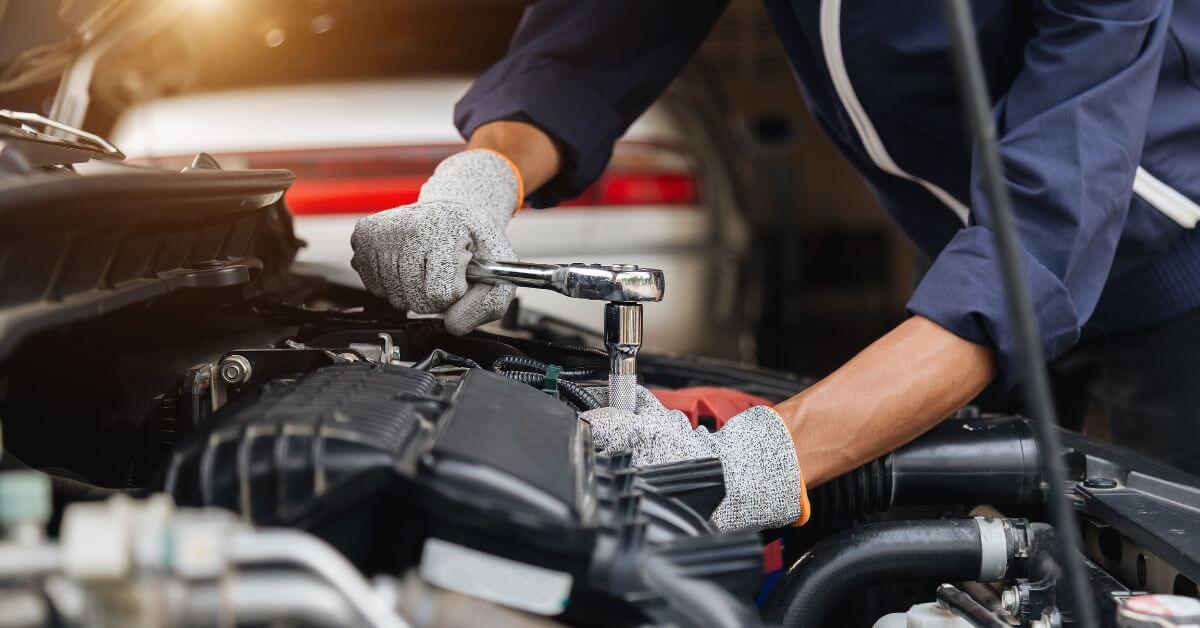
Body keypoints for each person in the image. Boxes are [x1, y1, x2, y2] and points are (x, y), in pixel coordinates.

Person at [351, 1, 1200, 532]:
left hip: (1171, 272)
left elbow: (1043, 238)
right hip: (964, 272)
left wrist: (759, 456)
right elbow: (586, 45)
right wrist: (476, 184)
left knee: (1163, 553)